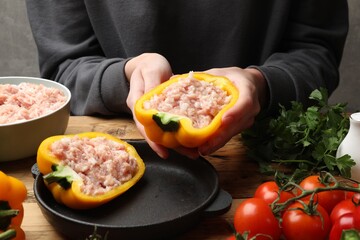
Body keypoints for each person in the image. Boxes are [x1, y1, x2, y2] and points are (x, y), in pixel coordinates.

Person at [26, 0, 349, 159]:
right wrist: (123, 76)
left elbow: (316, 49)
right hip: (126, 150)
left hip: (265, 153)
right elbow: (62, 68)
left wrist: (262, 83)